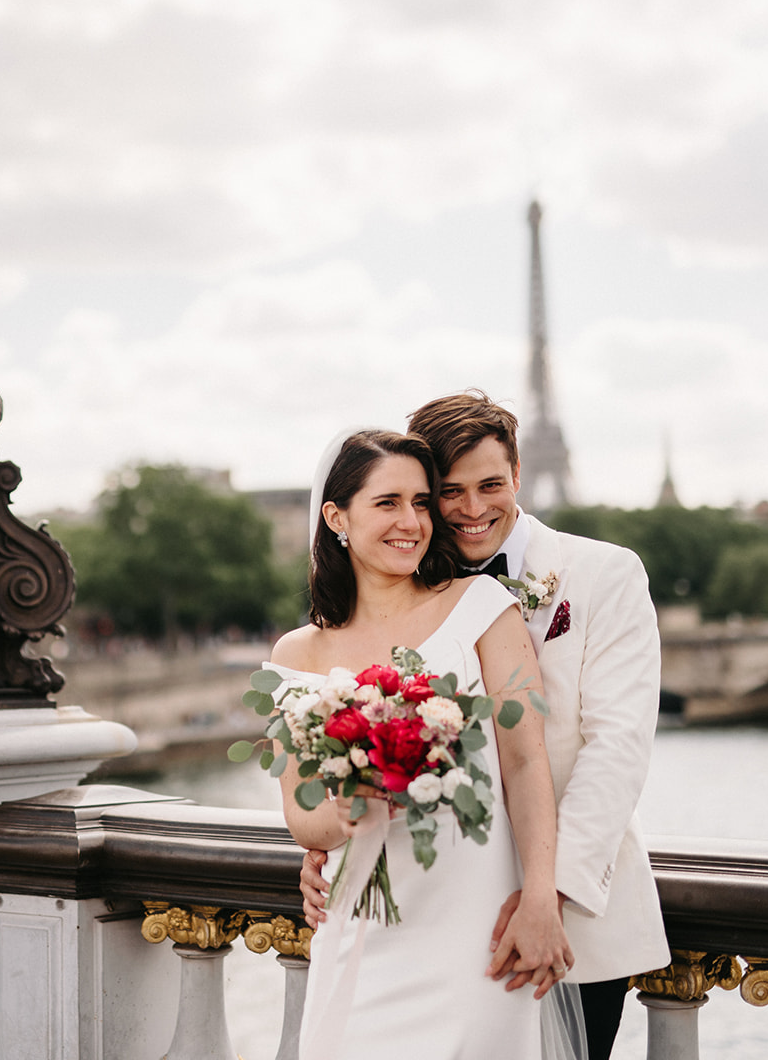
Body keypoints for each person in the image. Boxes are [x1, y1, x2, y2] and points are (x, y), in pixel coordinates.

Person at [299, 394, 670, 1060]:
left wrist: (546, 894)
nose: (472, 508)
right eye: (449, 492)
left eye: (490, 485)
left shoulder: (606, 574)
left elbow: (616, 750)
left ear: (520, 473)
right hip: (433, 909)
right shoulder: (405, 588)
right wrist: (333, 833)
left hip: (568, 909)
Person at [269, 428, 577, 1060]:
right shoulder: (296, 656)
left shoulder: (485, 607)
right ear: (336, 517)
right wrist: (355, 798)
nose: (412, 521)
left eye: (420, 502)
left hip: (476, 928)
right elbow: (305, 818)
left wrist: (542, 896)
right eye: (387, 503)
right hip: (360, 923)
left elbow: (524, 761)